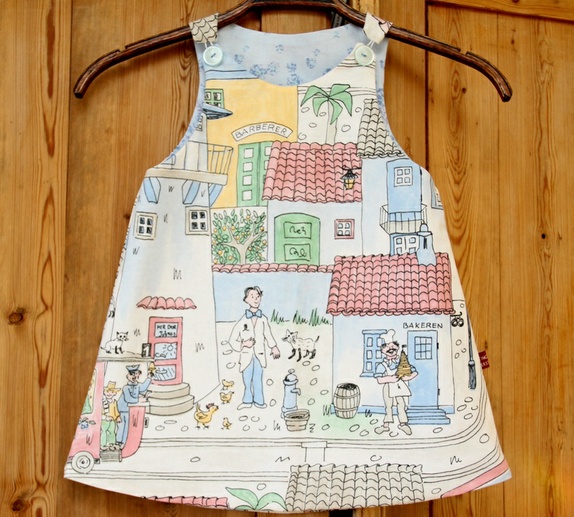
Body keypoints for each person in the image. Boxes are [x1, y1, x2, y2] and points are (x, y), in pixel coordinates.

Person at [228, 286, 280, 409]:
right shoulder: (242, 321)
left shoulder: (263, 319)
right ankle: (247, 401)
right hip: (246, 356)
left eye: (258, 297)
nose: (256, 299)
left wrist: (274, 347)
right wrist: (243, 344)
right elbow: (232, 340)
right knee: (247, 379)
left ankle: (259, 401)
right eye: (252, 297)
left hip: (259, 355)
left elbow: (268, 335)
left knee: (258, 378)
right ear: (246, 300)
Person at [374, 340, 418, 435]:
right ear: (382, 351)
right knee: (388, 405)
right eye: (387, 346)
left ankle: (403, 424)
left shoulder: (402, 362)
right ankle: (386, 425)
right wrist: (390, 379)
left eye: (393, 347)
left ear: (397, 348)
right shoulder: (382, 365)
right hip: (388, 386)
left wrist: (408, 377)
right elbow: (379, 380)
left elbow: (414, 372)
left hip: (399, 386)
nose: (390, 348)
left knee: (401, 404)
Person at [116, 365, 153, 447]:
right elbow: (128, 399)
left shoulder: (137, 386)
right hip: (123, 409)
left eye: (136, 374)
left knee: (127, 426)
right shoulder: (126, 387)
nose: (134, 376)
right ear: (127, 376)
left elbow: (143, 387)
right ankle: (118, 442)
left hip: (130, 409)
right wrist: (138, 400)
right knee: (122, 425)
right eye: (131, 374)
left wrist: (149, 378)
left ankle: (124, 442)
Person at [100, 381, 121, 450]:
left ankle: (111, 444)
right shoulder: (102, 402)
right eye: (107, 391)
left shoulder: (114, 402)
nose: (109, 393)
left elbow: (116, 411)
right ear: (104, 392)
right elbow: (100, 412)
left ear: (114, 393)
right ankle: (103, 444)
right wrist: (105, 417)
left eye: (111, 392)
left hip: (112, 420)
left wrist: (118, 417)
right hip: (105, 420)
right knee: (103, 431)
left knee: (112, 432)